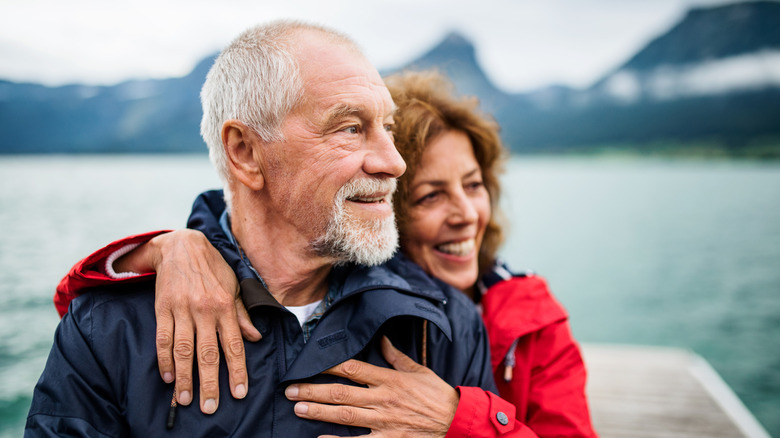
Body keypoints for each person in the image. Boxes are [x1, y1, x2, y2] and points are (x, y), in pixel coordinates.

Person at [49, 69, 598, 437]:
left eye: (475, 186)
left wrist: (462, 418)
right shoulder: (154, 298)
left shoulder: (524, 319)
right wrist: (166, 248)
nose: (466, 214)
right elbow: (90, 322)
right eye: (431, 195)